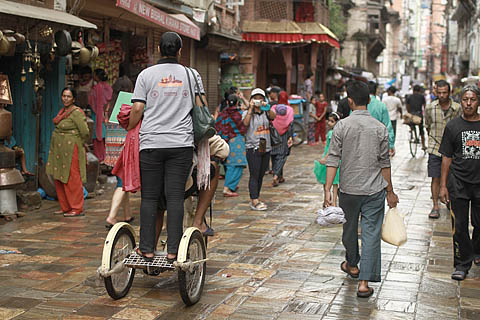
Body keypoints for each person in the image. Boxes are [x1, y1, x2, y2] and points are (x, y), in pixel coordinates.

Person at [127, 32, 204, 262]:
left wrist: (129, 127)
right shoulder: (192, 75)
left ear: (159, 50)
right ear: (180, 51)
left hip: (151, 143)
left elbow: (138, 109)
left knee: (149, 198)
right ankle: (173, 251)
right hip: (181, 143)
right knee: (175, 197)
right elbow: (200, 106)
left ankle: (147, 248)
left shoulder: (146, 75)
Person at [324, 80, 399, 298]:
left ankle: (353, 265)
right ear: (369, 100)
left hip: (348, 190)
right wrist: (390, 191)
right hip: (374, 190)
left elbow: (332, 159)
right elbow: (385, 163)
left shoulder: (341, 126)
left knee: (348, 232)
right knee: (371, 234)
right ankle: (364, 283)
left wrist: (328, 189)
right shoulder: (380, 128)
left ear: (350, 101)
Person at [439, 85, 480, 281]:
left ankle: (476, 252)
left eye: (472, 99)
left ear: (478, 101)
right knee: (460, 226)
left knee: (478, 224)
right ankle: (462, 264)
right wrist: (443, 186)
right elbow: (446, 157)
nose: (469, 103)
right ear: (460, 101)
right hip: (459, 184)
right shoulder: (453, 126)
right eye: (465, 99)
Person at [46, 88, 89, 217]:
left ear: (73, 99)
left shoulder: (76, 112)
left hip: (71, 149)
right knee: (59, 177)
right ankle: (65, 207)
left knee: (72, 178)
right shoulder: (62, 111)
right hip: (59, 149)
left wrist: (74, 141)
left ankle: (76, 207)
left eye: (68, 96)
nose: (65, 99)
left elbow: (85, 132)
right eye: (64, 96)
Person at [425, 79, 461, 219]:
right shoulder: (430, 108)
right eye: (439, 93)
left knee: (452, 178)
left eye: (444, 93)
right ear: (435, 92)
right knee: (435, 178)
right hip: (435, 147)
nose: (442, 95)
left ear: (449, 92)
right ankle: (435, 206)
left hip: (452, 151)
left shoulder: (457, 108)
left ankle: (449, 200)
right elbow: (427, 125)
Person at [105, 65, 134, 229]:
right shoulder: (129, 102)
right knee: (122, 184)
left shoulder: (110, 105)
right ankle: (112, 216)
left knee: (122, 180)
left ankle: (127, 214)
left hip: (112, 150)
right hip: (125, 149)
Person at [243, 88, 276, 211]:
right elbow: (245, 123)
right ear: (251, 99)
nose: (258, 100)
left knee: (261, 174)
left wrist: (267, 107)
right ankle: (254, 200)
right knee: (254, 174)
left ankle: (256, 197)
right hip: (253, 147)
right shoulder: (247, 112)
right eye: (255, 98)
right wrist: (251, 108)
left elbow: (274, 116)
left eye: (260, 98)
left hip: (266, 147)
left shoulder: (266, 112)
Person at [215, 94, 247, 197]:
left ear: (227, 102)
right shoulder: (239, 114)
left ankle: (231, 185)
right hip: (236, 140)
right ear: (237, 102)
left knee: (228, 163)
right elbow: (244, 126)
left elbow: (217, 126)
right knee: (236, 164)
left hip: (223, 140)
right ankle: (228, 187)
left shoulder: (221, 114)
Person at [316, 112, 341, 205]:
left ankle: (327, 200)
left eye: (332, 121)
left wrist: (325, 158)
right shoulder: (338, 132)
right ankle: (333, 201)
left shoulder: (331, 133)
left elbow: (331, 147)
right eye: (329, 121)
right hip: (336, 158)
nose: (329, 123)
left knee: (327, 182)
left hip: (329, 157)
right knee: (335, 183)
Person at [88, 68, 112, 163]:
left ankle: (100, 157)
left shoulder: (96, 88)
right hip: (105, 114)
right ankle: (105, 157)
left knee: (97, 138)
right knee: (104, 137)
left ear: (97, 77)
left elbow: (91, 101)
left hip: (97, 115)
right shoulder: (108, 87)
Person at [271, 91, 294, 186]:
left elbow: (270, 120)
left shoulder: (273, 108)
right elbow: (291, 124)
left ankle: (279, 176)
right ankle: (276, 175)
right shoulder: (289, 109)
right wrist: (291, 136)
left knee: (274, 155)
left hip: (273, 135)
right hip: (284, 135)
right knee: (281, 156)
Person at [367, 81, 396, 156]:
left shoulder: (357, 105)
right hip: (377, 143)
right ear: (376, 90)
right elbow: (388, 126)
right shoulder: (381, 106)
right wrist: (391, 144)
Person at [406, 85, 427, 150]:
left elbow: (407, 106)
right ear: (419, 90)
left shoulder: (409, 96)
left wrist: (409, 113)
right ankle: (423, 145)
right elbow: (424, 105)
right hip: (419, 115)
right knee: (421, 130)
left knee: (411, 124)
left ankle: (412, 129)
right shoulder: (422, 96)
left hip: (412, 114)